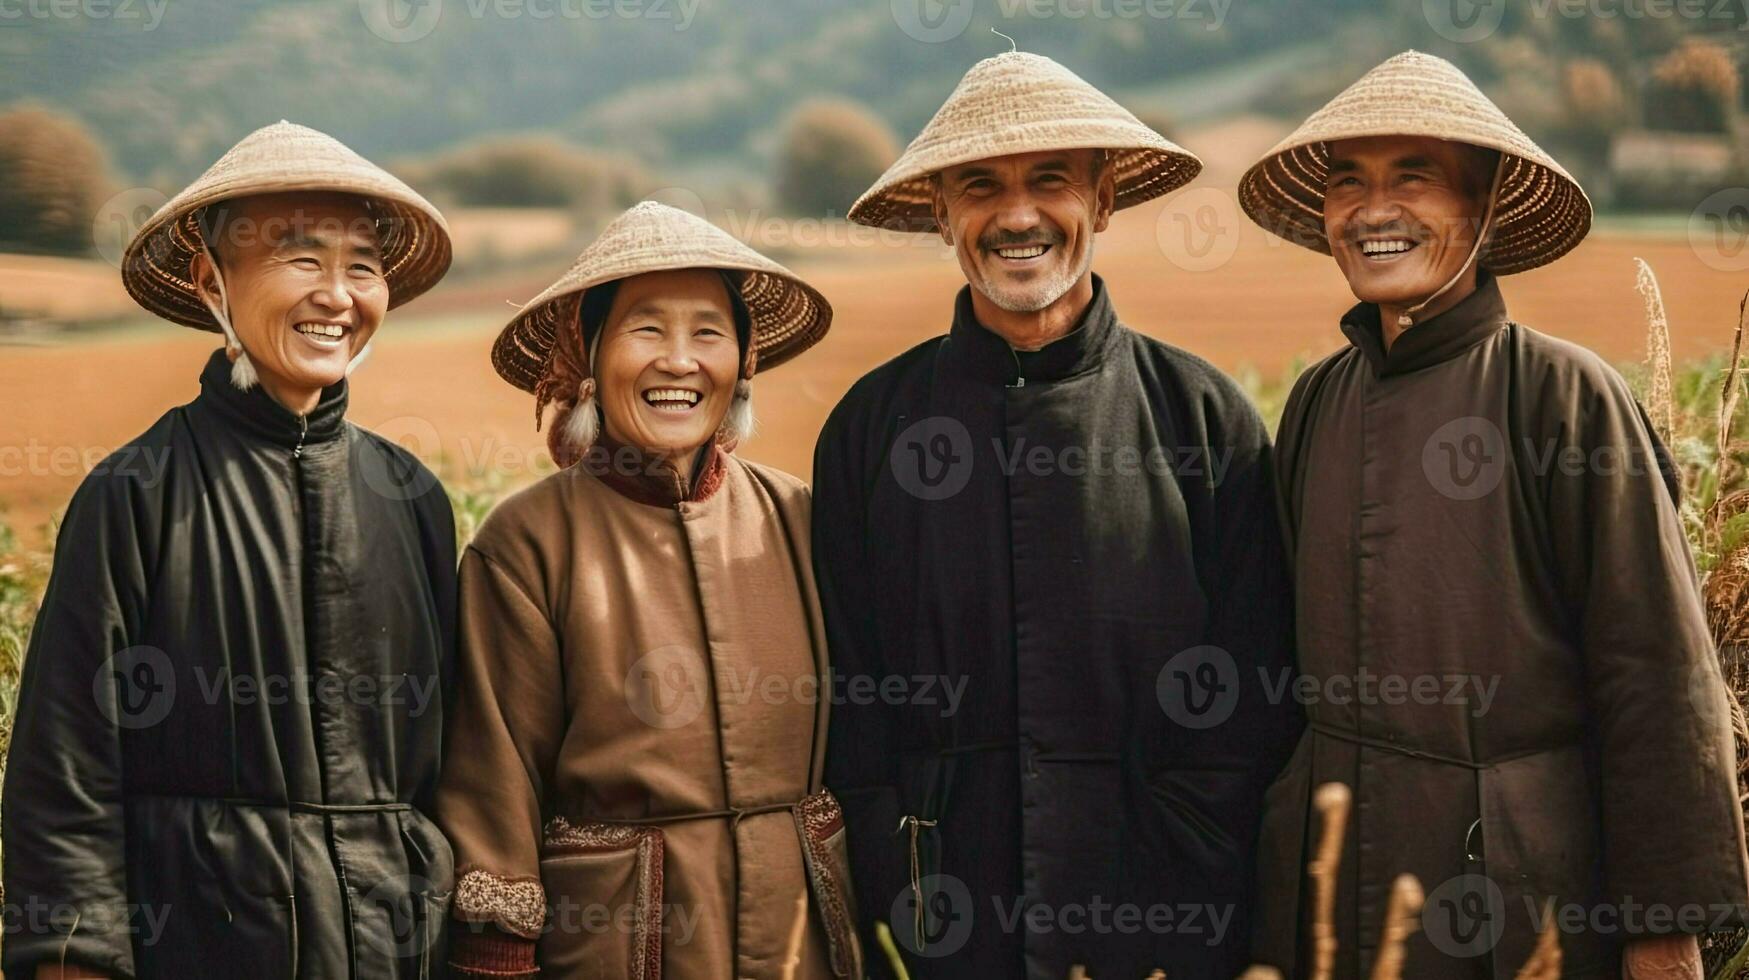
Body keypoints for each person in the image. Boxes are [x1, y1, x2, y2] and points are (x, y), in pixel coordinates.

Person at [1239, 51, 1749, 978]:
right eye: (1346, 181)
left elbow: (1657, 673)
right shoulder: (1317, 401)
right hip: (1327, 889)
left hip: (1508, 894)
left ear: (1481, 208)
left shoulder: (1561, 395)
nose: (1371, 208)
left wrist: (1664, 927)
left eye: (1414, 177)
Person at [815, 51, 1301, 978]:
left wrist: (1184, 884)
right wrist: (889, 858)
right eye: (979, 187)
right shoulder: (871, 428)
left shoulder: (1202, 417)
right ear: (940, 212)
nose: (1017, 215)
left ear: (1104, 197)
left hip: (1157, 914)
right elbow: (847, 692)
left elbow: (1254, 697)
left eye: (1049, 180)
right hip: (937, 915)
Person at [3, 121, 458, 979]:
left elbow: (454, 760)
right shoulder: (136, 491)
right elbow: (67, 772)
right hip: (203, 942)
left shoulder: (412, 497)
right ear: (213, 280)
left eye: (361, 265)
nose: (337, 294)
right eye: (301, 259)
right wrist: (73, 958)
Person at [434, 201, 860, 979]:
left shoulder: (798, 517)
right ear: (588, 356)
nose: (679, 360)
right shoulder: (527, 544)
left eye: (707, 331)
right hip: (617, 946)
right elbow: (495, 773)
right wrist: (496, 952)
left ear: (743, 360)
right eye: (645, 329)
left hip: (801, 942)